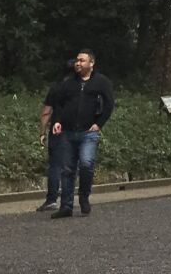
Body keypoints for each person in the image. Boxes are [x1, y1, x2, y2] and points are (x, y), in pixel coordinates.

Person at [46, 49, 115, 220]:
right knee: (67, 169)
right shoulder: (69, 84)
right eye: (77, 60)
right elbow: (59, 104)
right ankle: (66, 206)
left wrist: (99, 124)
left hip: (88, 132)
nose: (78, 63)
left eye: (82, 60)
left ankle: (84, 197)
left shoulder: (101, 82)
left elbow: (109, 104)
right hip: (68, 131)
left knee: (86, 164)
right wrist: (57, 121)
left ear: (91, 63)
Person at [35, 59, 75, 211]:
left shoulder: (56, 88)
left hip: (57, 131)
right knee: (71, 166)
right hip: (78, 130)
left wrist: (42, 132)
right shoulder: (82, 88)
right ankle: (69, 199)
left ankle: (52, 199)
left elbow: (46, 112)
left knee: (55, 166)